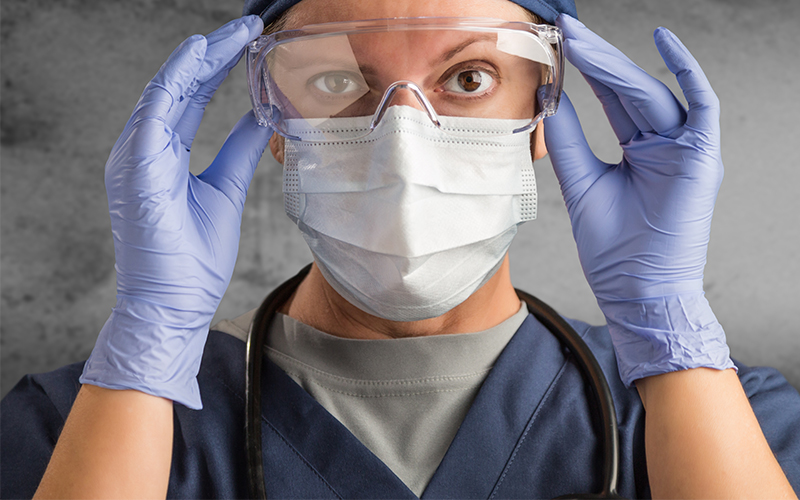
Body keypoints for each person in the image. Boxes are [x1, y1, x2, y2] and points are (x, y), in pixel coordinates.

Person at [2, 0, 799, 498]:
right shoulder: (74, 424)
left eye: (470, 78)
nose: (404, 140)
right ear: (276, 126)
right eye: (335, 81)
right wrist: (150, 332)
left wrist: (666, 324)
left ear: (544, 114)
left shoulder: (734, 419)